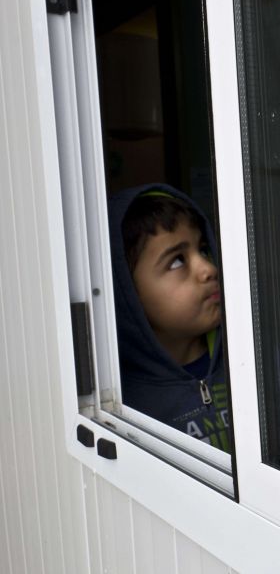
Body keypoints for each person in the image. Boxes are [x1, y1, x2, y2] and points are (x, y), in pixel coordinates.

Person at [108, 185, 232, 452]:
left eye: (204, 249)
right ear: (128, 294)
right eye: (177, 261)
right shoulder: (120, 404)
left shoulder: (261, 366)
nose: (209, 269)